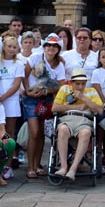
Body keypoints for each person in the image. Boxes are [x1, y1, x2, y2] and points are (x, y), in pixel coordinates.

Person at [22, 33, 66, 179]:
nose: (51, 48)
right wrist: (28, 91)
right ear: (44, 46)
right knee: (34, 132)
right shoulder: (35, 58)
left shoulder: (60, 65)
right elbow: (24, 74)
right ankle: (30, 167)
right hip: (30, 99)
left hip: (46, 100)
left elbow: (61, 86)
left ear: (58, 48)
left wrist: (46, 91)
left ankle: (37, 165)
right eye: (48, 45)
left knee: (40, 133)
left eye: (54, 46)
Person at [52, 68, 103, 181]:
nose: (80, 86)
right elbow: (54, 108)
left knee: (86, 133)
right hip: (67, 117)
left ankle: (73, 169)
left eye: (83, 84)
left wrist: (84, 98)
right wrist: (76, 107)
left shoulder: (91, 91)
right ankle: (64, 166)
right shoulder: (65, 89)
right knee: (62, 129)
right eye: (78, 84)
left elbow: (100, 110)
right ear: (71, 82)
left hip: (84, 119)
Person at [0, 34, 25, 179]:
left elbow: (17, 84)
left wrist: (3, 97)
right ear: (4, 47)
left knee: (10, 132)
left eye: (14, 47)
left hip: (11, 101)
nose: (12, 49)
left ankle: (7, 164)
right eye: (9, 46)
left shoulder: (18, 64)